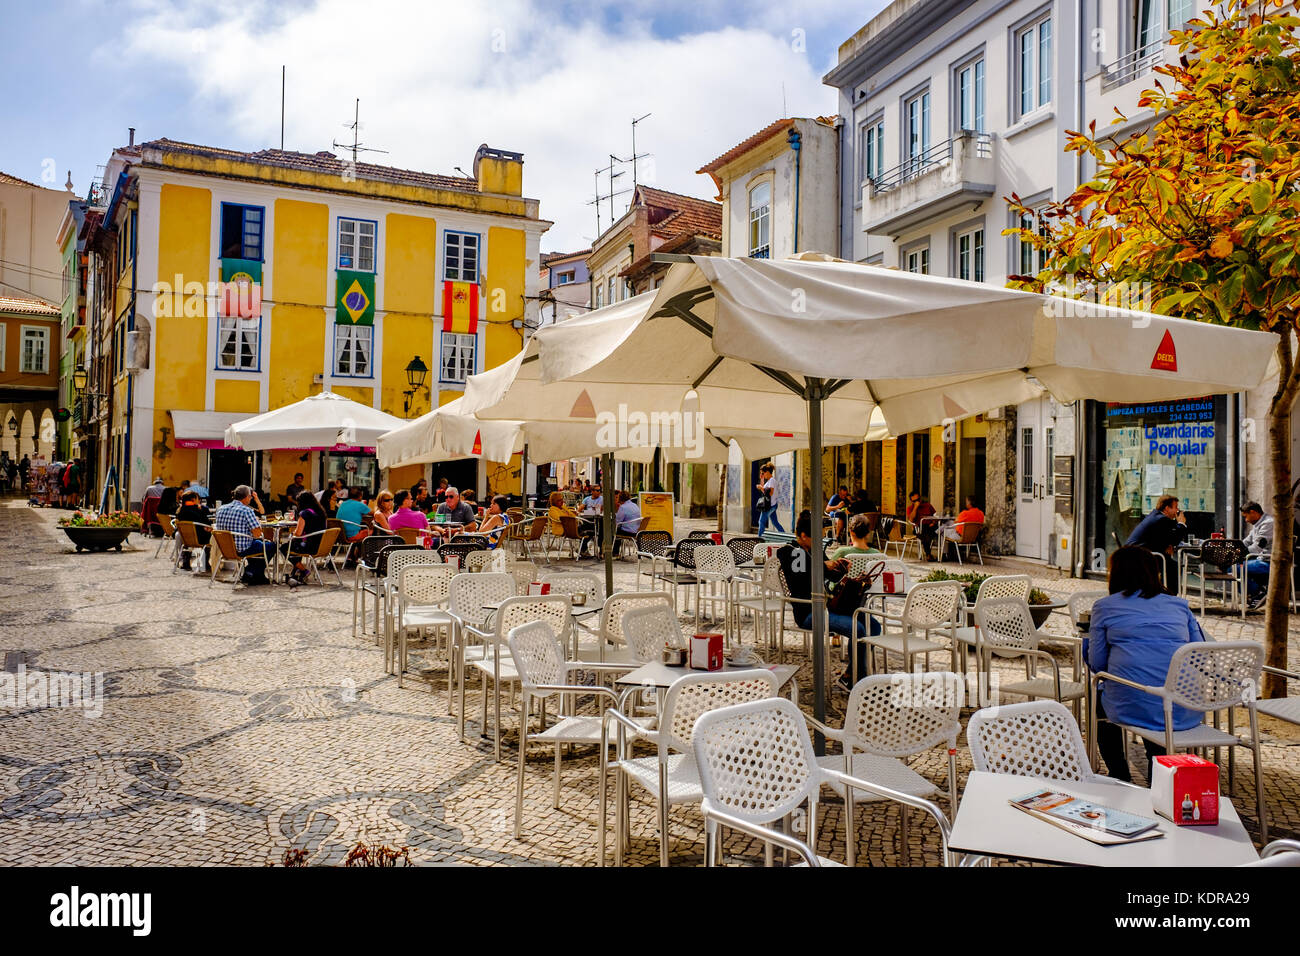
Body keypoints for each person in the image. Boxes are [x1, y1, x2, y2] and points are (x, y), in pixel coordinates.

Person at [1089, 546, 1206, 782]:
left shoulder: (1104, 607)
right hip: (1184, 706)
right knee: (1153, 697)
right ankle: (1158, 778)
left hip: (1131, 704)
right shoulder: (1179, 605)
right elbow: (1200, 653)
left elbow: (1097, 664)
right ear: (1155, 573)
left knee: (1101, 703)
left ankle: (1119, 774)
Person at [777, 511, 878, 691]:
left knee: (874, 626)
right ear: (803, 536)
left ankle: (850, 676)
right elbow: (801, 575)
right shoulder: (790, 552)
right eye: (817, 537)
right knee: (859, 629)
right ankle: (858, 680)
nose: (820, 541)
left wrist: (839, 566)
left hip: (830, 607)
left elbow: (829, 576)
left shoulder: (813, 551)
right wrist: (823, 565)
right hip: (809, 612)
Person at [212, 484, 274, 585]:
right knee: (272, 546)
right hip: (242, 549)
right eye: (250, 497)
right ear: (247, 497)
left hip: (225, 549)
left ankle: (255, 576)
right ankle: (249, 571)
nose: (250, 499)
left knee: (258, 544)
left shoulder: (221, 509)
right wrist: (256, 524)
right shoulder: (246, 510)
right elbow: (257, 534)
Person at [283, 490, 328, 586]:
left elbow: (298, 533)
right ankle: (297, 571)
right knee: (295, 544)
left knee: (284, 547)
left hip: (310, 547)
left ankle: (303, 570)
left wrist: (293, 533)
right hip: (321, 545)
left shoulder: (304, 514)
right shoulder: (321, 512)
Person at [1125, 494, 1190, 557]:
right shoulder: (1161, 519)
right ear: (1167, 508)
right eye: (1176, 507)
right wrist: (1181, 523)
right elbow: (1174, 540)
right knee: (1176, 567)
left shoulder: (1157, 516)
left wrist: (1167, 545)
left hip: (1135, 553)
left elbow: (1162, 538)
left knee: (1172, 564)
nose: (1177, 510)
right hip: (1137, 556)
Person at [1241, 501, 1274, 609]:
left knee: (1233, 568)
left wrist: (1239, 553)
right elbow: (1246, 542)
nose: (1246, 520)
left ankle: (1258, 593)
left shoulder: (1268, 523)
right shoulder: (1258, 524)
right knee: (1231, 566)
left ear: (1253, 512)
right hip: (1261, 559)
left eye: (1246, 517)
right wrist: (1232, 547)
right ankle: (1257, 591)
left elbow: (1256, 548)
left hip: (1269, 562)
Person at [173, 489, 211, 571]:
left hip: (185, 539)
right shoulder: (200, 510)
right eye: (198, 499)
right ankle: (206, 562)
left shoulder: (180, 511)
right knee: (211, 536)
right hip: (199, 538)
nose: (199, 501)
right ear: (193, 499)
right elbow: (207, 524)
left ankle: (186, 562)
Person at [336, 486, 372, 563]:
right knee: (372, 531)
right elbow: (374, 513)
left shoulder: (343, 504)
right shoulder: (360, 505)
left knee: (359, 530)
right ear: (360, 496)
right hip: (352, 536)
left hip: (341, 535)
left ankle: (351, 556)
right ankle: (362, 558)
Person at [755, 462, 784, 537]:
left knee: (761, 522)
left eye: (763, 473)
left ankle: (760, 539)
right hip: (772, 504)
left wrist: (761, 487)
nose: (762, 475)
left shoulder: (772, 481)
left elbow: (770, 493)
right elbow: (764, 491)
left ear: (767, 472)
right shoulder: (769, 481)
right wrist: (761, 480)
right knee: (775, 523)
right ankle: (784, 535)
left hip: (770, 506)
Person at [907, 491, 939, 559]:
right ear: (911, 501)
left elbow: (936, 516)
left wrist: (933, 522)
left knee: (942, 530)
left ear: (920, 499)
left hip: (931, 526)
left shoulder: (928, 505)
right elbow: (911, 520)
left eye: (918, 500)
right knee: (924, 534)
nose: (917, 502)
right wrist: (915, 508)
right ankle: (928, 554)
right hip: (919, 528)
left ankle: (944, 554)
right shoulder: (910, 508)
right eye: (914, 501)